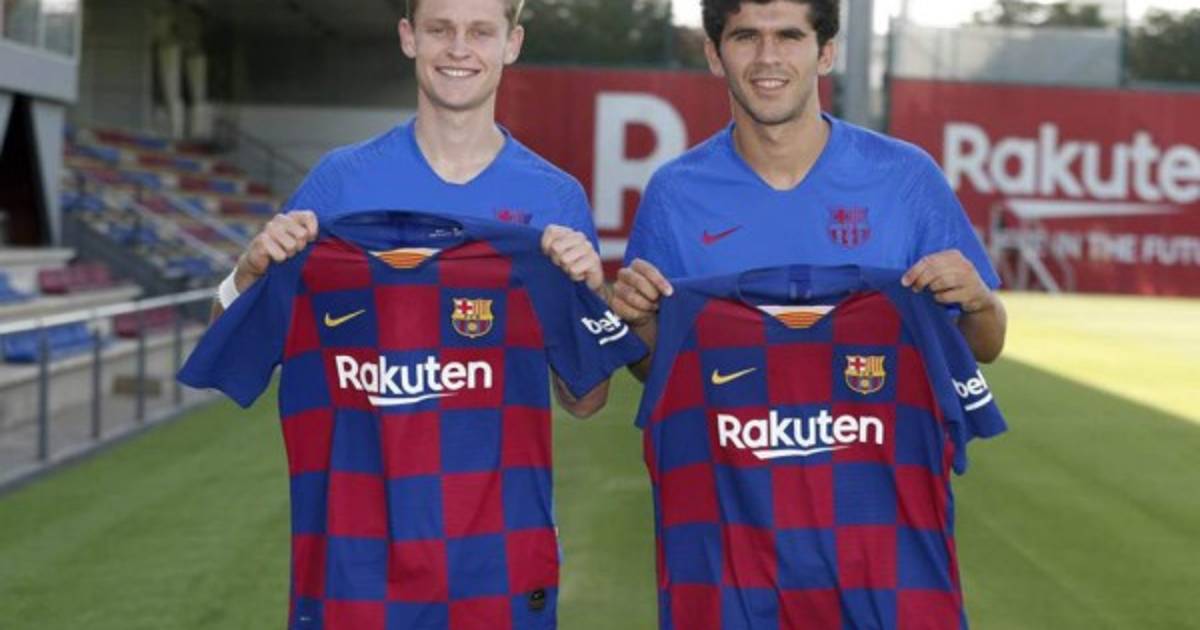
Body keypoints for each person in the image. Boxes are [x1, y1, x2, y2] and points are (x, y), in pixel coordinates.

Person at [211, 0, 609, 416]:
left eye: (480, 32)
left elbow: (586, 401)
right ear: (408, 37)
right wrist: (246, 273)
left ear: (512, 43)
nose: (459, 49)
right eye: (439, 29)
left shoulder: (556, 198)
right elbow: (230, 356)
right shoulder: (339, 181)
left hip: (498, 462)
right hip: (358, 460)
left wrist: (594, 295)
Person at [611, 0, 1007, 374]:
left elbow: (985, 346)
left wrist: (980, 305)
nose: (768, 56)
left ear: (826, 54)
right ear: (715, 55)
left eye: (789, 36)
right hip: (728, 427)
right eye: (746, 36)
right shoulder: (674, 192)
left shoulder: (907, 177)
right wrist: (639, 321)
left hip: (877, 427)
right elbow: (653, 368)